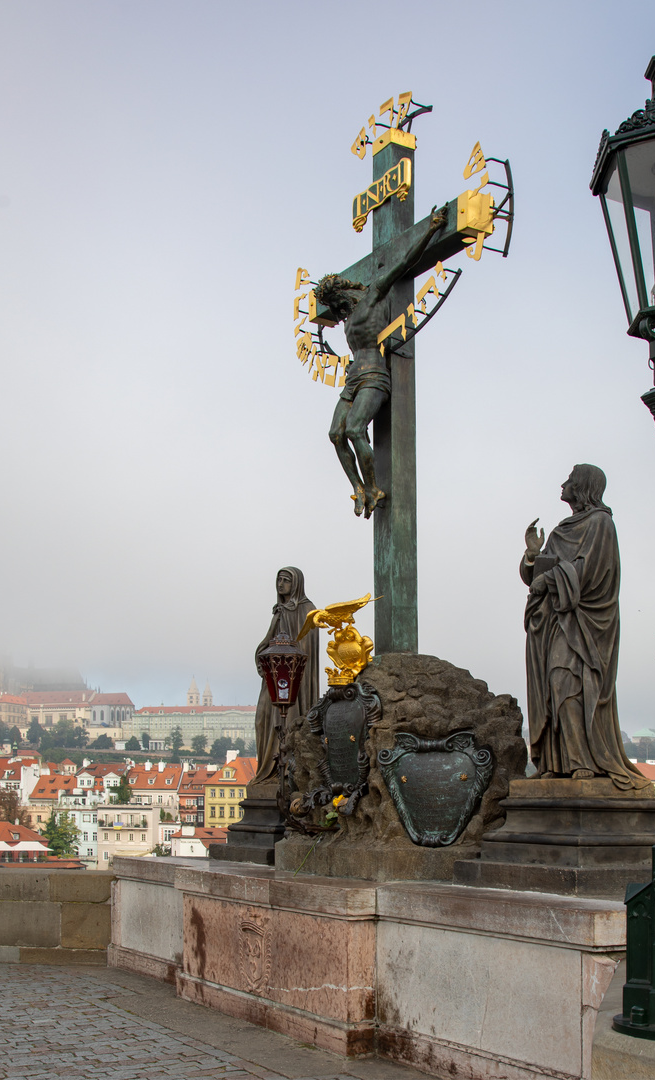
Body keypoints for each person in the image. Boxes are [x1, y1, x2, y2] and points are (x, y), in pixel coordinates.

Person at [521, 465, 648, 790]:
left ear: (583, 486)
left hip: (584, 626)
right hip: (554, 623)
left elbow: (591, 570)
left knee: (567, 683)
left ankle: (582, 763)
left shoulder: (601, 524)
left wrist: (549, 579)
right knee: (553, 689)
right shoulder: (563, 529)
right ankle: (554, 762)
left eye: (570, 479)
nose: (563, 483)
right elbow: (535, 578)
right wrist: (533, 557)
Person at [318, 204, 448, 518]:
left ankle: (373, 487)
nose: (336, 311)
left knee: (355, 429)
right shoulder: (347, 318)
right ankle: (359, 488)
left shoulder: (374, 294)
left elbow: (404, 261)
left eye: (335, 303)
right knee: (336, 433)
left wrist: (430, 229)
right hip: (353, 379)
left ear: (342, 293)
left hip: (375, 374)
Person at [252, 567, 319, 786]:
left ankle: (288, 774)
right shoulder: (280, 610)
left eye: (286, 580)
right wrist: (264, 656)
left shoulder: (308, 610)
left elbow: (307, 646)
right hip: (274, 677)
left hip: (293, 681)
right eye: (278, 580)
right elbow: (267, 641)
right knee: (263, 719)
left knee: (287, 722)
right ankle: (267, 771)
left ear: (296, 583)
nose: (281, 584)